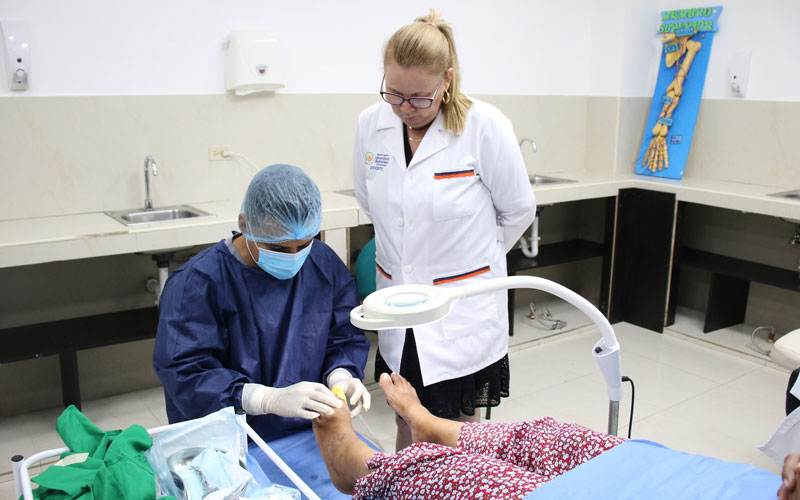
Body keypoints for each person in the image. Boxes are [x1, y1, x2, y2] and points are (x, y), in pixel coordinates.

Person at [352, 9, 537, 449]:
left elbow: (517, 211)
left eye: (419, 98)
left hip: (459, 311)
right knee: (405, 421)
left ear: (447, 81)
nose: (404, 108)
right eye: (393, 93)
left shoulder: (484, 126)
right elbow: (368, 201)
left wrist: (473, 263)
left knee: (456, 428)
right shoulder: (370, 125)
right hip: (399, 307)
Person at [153, 164, 371, 441]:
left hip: (310, 429)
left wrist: (342, 375)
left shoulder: (322, 263)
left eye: (304, 243)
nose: (294, 256)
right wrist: (265, 398)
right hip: (226, 438)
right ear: (246, 225)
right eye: (278, 248)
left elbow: (343, 336)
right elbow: (185, 373)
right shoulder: (197, 282)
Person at [312, 372, 625, 499]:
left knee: (481, 483)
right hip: (655, 475)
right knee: (560, 443)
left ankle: (352, 461)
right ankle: (430, 426)